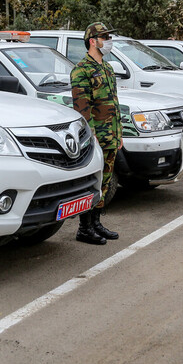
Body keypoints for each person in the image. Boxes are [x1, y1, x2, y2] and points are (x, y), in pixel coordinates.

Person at [71, 22, 123, 245]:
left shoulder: (108, 68)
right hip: (96, 138)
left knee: (106, 181)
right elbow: (82, 110)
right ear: (93, 41)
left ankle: (96, 222)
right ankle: (84, 228)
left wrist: (119, 134)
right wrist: (91, 140)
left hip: (111, 136)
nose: (108, 40)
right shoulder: (81, 70)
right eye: (105, 37)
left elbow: (115, 104)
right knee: (93, 181)